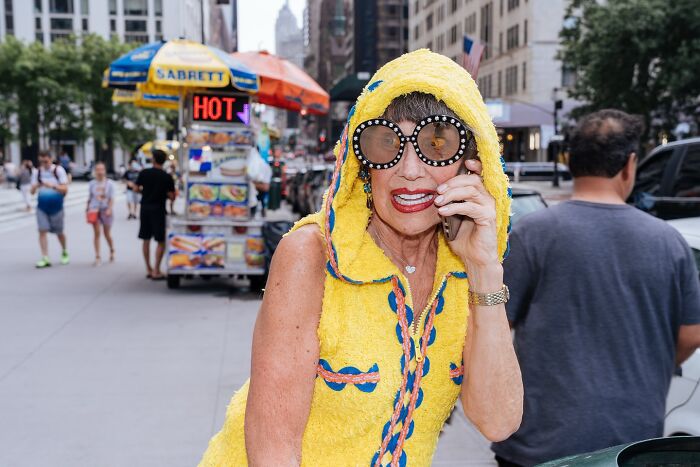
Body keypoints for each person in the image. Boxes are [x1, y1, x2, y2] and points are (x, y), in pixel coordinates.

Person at [199, 50, 523, 466]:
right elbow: (273, 453)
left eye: (435, 145)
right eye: (386, 142)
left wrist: (484, 270)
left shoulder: (464, 270)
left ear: (470, 166)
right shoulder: (312, 254)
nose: (409, 170)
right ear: (363, 164)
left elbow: (499, 420)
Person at [492, 109, 700, 467]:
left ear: (571, 162)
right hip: (630, 443)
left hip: (538, 441)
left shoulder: (532, 233)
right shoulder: (670, 242)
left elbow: (495, 325)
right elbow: (692, 334)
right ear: (630, 165)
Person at [135, 149, 175, 280]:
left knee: (145, 239)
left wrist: (145, 193)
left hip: (145, 208)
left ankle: (148, 268)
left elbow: (136, 188)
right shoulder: (166, 176)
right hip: (159, 209)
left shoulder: (144, 173)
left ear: (153, 159)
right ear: (164, 161)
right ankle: (157, 270)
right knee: (161, 241)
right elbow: (172, 196)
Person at [31, 151, 70, 268]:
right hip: (42, 207)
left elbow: (65, 189)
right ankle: (45, 257)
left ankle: (64, 251)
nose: (44, 164)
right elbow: (32, 192)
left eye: (46, 161)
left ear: (51, 159)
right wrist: (36, 186)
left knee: (59, 232)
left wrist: (52, 186)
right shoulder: (37, 172)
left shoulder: (58, 170)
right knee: (42, 230)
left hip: (57, 207)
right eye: (41, 161)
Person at [86, 162, 115, 265]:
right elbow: (89, 198)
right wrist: (87, 209)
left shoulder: (110, 183)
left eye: (101, 169)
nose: (100, 172)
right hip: (94, 209)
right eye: (98, 169)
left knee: (106, 233)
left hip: (106, 209)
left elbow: (111, 198)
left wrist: (110, 209)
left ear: (105, 170)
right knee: (97, 233)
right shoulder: (92, 184)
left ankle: (112, 249)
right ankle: (97, 256)